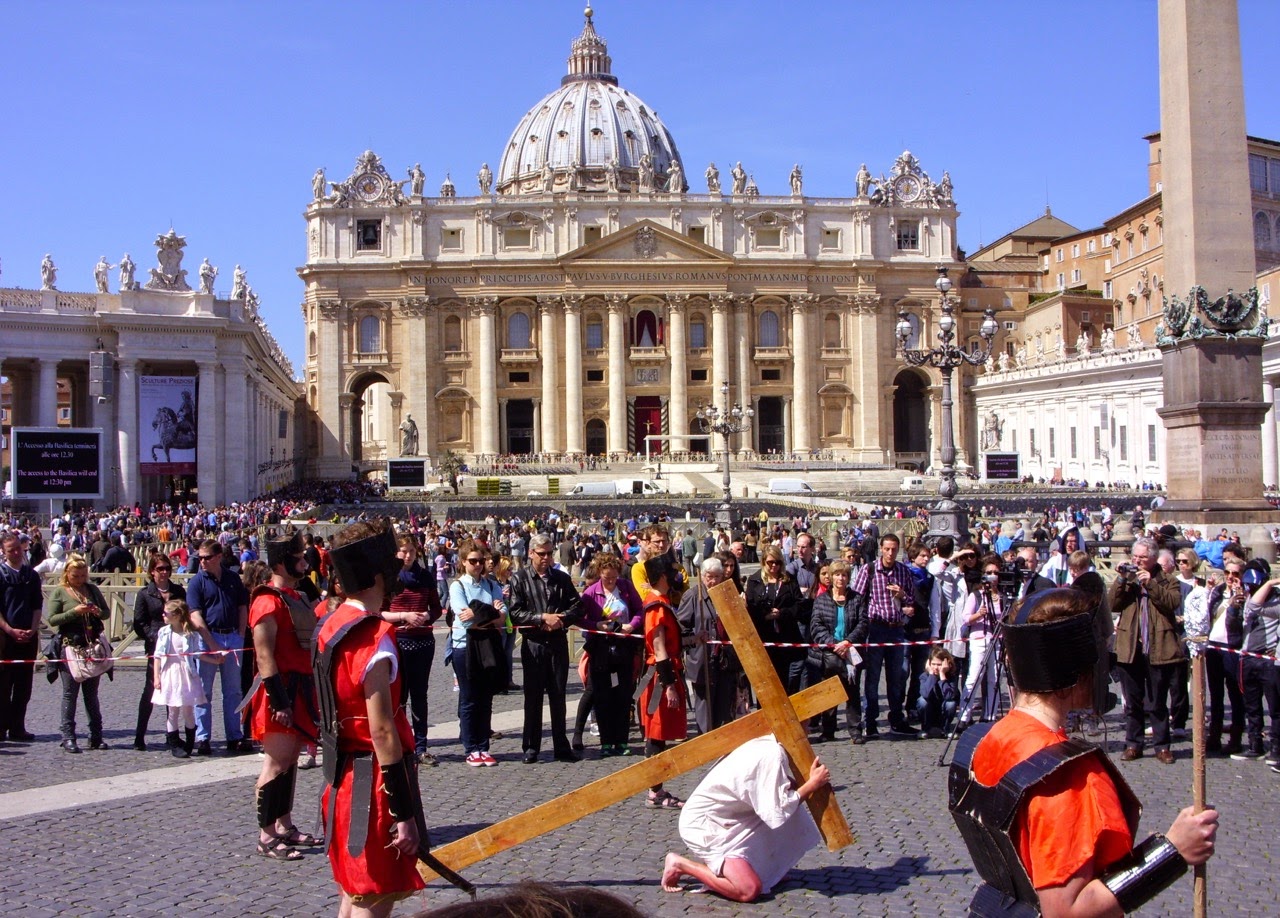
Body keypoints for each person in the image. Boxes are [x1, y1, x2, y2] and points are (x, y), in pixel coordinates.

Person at [950, 588, 1218, 916]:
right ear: (1079, 666)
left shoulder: (985, 739)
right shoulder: (1069, 776)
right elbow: (1065, 910)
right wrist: (1172, 851)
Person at [314, 520, 429, 916]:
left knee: (353, 893)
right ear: (379, 574)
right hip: (373, 785)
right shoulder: (374, 636)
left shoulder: (332, 622)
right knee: (373, 896)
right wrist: (404, 814)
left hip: (342, 776)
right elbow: (381, 730)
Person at [661, 735, 828, 902]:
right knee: (748, 889)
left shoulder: (768, 743)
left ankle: (760, 869)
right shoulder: (771, 753)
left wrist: (807, 784)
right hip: (705, 826)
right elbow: (778, 811)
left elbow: (777, 788)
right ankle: (680, 864)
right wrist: (811, 785)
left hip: (731, 818)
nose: (808, 729)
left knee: (791, 812)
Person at [245, 533, 322, 861]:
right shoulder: (266, 602)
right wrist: (279, 701)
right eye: (297, 558)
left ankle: (284, 825)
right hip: (279, 691)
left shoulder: (298, 596)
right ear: (280, 563)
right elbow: (264, 656)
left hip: (300, 687)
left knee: (289, 761)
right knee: (276, 763)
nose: (304, 562)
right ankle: (266, 836)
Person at [507, 533, 583, 764]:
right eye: (542, 554)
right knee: (533, 697)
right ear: (531, 553)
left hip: (557, 643)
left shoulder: (561, 578)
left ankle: (561, 745)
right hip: (534, 644)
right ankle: (531, 746)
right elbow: (515, 612)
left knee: (558, 695)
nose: (546, 558)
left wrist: (561, 619)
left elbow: (577, 606)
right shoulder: (519, 578)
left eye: (550, 554)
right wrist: (542, 618)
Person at [1110, 536, 1183, 764]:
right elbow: (1112, 604)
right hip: (1130, 648)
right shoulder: (1128, 580)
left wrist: (1150, 584)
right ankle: (1134, 744)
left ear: (1153, 558)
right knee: (1133, 702)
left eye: (1142, 557)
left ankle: (1162, 746)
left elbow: (1171, 603)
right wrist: (1121, 579)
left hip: (1157, 648)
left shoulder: (1168, 580)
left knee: (1157, 701)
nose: (1137, 561)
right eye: (1135, 557)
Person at [188, 539, 252, 756]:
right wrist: (212, 644)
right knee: (203, 691)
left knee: (233, 691)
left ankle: (234, 735)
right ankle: (203, 737)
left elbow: (242, 606)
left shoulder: (233, 578)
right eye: (200, 558)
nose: (202, 561)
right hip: (209, 637)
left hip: (232, 636)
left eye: (206, 558)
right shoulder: (197, 582)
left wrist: (241, 634)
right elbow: (195, 616)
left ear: (218, 557)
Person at [385, 535, 443, 765]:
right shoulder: (389, 578)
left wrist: (425, 616)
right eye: (403, 551)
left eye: (411, 551)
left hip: (423, 642)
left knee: (420, 696)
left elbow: (436, 608)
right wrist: (404, 616)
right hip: (397, 642)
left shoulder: (425, 576)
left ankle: (421, 746)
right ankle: (399, 745)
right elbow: (379, 612)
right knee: (398, 697)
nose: (407, 555)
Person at [851, 533, 916, 738]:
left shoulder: (903, 571)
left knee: (897, 677)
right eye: (887, 549)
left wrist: (902, 595)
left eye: (894, 549)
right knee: (872, 678)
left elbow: (911, 600)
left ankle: (896, 718)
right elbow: (856, 599)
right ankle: (870, 721)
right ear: (881, 549)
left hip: (896, 629)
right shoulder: (869, 570)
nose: (890, 553)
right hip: (875, 628)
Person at [448, 540, 505, 766]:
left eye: (481, 561)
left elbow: (503, 617)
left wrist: (480, 613)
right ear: (463, 562)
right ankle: (471, 747)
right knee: (470, 698)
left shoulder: (491, 584)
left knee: (486, 698)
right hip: (465, 646)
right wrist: (491, 612)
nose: (478, 565)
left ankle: (483, 746)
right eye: (473, 561)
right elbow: (465, 619)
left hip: (488, 645)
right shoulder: (457, 586)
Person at [577, 553, 642, 754]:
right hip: (600, 649)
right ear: (599, 573)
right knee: (602, 696)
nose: (611, 581)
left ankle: (622, 741)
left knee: (623, 695)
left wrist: (631, 625)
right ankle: (606, 741)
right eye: (607, 578)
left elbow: (640, 610)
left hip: (623, 647)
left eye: (614, 577)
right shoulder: (591, 592)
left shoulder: (626, 588)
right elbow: (579, 618)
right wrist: (596, 625)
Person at [45, 556, 110, 753]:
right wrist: (75, 611)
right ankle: (68, 737)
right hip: (70, 647)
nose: (80, 580)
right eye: (76, 576)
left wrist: (97, 611)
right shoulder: (60, 592)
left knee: (92, 694)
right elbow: (52, 619)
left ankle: (96, 736)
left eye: (83, 575)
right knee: (70, 693)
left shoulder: (92, 589)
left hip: (92, 646)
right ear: (67, 574)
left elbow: (106, 613)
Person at [637, 558, 687, 808]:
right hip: (660, 677)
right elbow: (659, 650)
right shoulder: (656, 607)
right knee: (656, 733)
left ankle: (657, 789)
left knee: (661, 733)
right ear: (664, 577)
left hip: (665, 672)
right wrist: (669, 685)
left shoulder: (664, 602)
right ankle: (655, 791)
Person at [677, 556, 743, 735]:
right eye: (709, 577)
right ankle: (706, 740)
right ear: (703, 576)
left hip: (725, 660)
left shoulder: (726, 594)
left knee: (724, 705)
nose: (713, 581)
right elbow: (681, 628)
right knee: (704, 707)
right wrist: (694, 638)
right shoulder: (693, 596)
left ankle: (723, 740)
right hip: (702, 659)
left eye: (717, 576)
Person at [807, 560, 868, 743]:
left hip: (850, 652)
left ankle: (855, 731)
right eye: (837, 575)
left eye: (844, 575)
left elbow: (863, 623)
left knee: (852, 692)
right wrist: (834, 644)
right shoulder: (822, 600)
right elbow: (816, 626)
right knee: (829, 694)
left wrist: (847, 642)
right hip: (829, 653)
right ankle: (828, 730)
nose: (840, 578)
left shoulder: (857, 599)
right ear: (831, 577)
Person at [131, 553, 186, 750]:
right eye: (160, 569)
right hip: (155, 645)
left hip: (176, 645)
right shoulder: (145, 593)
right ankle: (139, 736)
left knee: (174, 690)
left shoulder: (178, 591)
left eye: (167, 568)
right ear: (152, 571)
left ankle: (172, 735)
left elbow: (185, 615)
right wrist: (155, 636)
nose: (164, 572)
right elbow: (139, 622)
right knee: (150, 690)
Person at [153, 599, 220, 758]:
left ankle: (190, 742)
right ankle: (174, 744)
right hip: (170, 672)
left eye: (166, 613)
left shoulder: (190, 634)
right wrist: (156, 677)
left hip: (186, 673)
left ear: (176, 616)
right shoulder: (164, 632)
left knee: (188, 710)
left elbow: (197, 654)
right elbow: (157, 655)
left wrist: (214, 660)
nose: (163, 615)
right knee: (172, 711)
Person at [0, 530, 43, 742]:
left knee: (24, 685)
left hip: (28, 635)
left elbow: (37, 605)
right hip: (4, 636)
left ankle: (18, 727)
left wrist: (33, 629)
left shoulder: (31, 575)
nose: (16, 553)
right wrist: (9, 630)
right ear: (3, 551)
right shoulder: (1, 574)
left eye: (18, 548)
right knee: (3, 685)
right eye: (11, 550)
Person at [1234, 564, 1280, 762]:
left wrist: (1269, 584)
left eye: (1255, 586)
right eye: (1249, 586)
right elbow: (1235, 626)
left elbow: (1257, 606)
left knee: (1275, 708)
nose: (1251, 590)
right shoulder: (1246, 597)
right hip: (1247, 657)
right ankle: (1255, 744)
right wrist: (1233, 608)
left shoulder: (1276, 599)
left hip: (1267, 660)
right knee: (1251, 706)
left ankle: (1276, 748)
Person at [957, 553, 1008, 728]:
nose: (993, 576)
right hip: (979, 638)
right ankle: (964, 716)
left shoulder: (1003, 596)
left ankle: (989, 715)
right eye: (989, 572)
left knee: (994, 679)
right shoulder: (976, 595)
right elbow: (965, 618)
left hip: (997, 640)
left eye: (996, 573)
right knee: (974, 677)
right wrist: (979, 614)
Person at [745, 545, 804, 694]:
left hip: (786, 635)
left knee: (786, 680)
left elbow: (799, 605)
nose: (774, 566)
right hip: (764, 636)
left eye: (777, 562)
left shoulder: (788, 580)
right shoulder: (754, 580)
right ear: (763, 561)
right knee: (765, 682)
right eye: (770, 562)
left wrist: (782, 613)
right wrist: (764, 616)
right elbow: (750, 607)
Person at [916, 646, 959, 738]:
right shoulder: (924, 676)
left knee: (951, 703)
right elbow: (925, 694)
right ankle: (925, 729)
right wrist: (931, 675)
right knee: (922, 701)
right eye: (933, 664)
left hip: (943, 710)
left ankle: (946, 729)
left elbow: (949, 696)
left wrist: (942, 675)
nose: (935, 667)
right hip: (929, 710)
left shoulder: (951, 677)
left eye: (939, 664)